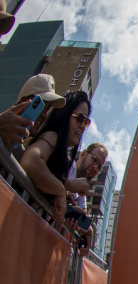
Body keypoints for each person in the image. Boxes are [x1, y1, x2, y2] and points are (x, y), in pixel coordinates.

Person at [20, 90, 90, 224]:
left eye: (86, 121)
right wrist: (62, 187)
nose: (82, 126)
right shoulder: (52, 137)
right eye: (79, 118)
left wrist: (75, 217)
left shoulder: (62, 153)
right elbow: (30, 161)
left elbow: (42, 193)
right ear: (64, 115)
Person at [2, 74, 66, 155]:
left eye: (48, 109)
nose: (45, 115)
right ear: (23, 102)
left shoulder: (21, 156)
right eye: (40, 105)